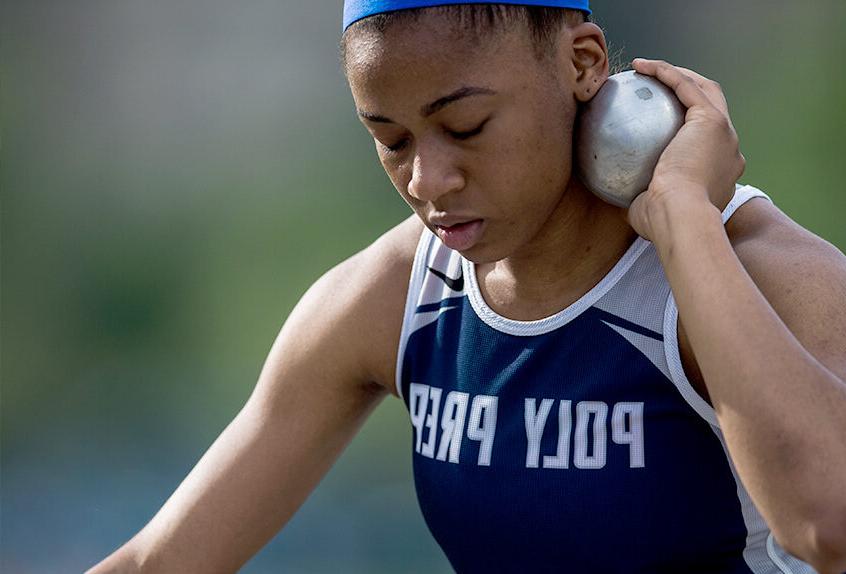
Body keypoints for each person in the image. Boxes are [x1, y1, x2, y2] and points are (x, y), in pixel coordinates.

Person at [89, 2, 846, 573]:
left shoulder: (767, 272)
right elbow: (159, 563)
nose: (428, 181)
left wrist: (684, 221)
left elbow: (827, 523)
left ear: (583, 64)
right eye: (391, 140)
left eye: (468, 126)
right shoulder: (394, 297)